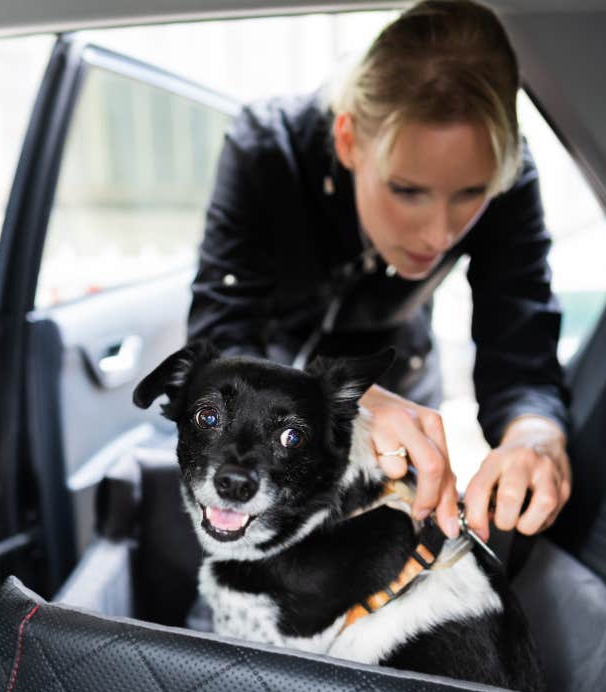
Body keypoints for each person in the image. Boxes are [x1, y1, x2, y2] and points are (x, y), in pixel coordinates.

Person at [188, 0, 571, 543]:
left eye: (470, 194)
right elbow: (219, 335)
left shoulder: (510, 178)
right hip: (261, 387)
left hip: (400, 378)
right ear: (348, 141)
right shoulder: (267, 150)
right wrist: (333, 402)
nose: (440, 235)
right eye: (407, 191)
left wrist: (536, 438)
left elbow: (521, 349)